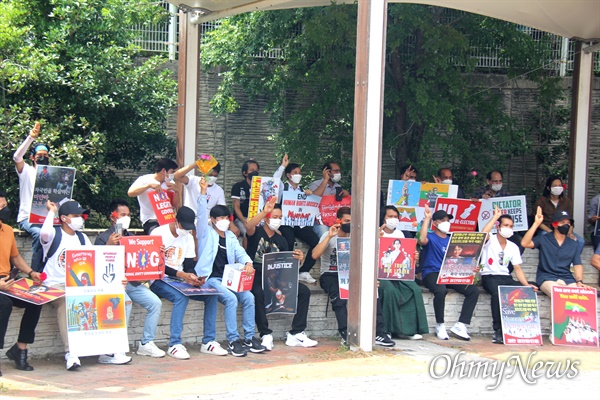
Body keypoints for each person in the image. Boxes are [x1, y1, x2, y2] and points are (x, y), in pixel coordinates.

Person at [195, 177, 266, 357]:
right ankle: (233, 340)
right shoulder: (205, 232)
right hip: (210, 278)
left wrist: (248, 262)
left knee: (249, 297)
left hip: (229, 278)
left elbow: (240, 253)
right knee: (231, 299)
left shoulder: (230, 236)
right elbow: (201, 213)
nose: (225, 220)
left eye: (227, 217)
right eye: (221, 218)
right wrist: (203, 192)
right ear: (213, 220)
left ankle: (249, 337)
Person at [311, 206, 395, 347]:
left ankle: (378, 333)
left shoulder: (357, 236)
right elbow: (314, 255)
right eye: (347, 220)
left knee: (373, 290)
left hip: (351, 273)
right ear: (339, 221)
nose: (350, 223)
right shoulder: (329, 235)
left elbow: (367, 258)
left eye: (353, 220)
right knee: (338, 295)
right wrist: (330, 236)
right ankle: (346, 333)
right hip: (330, 274)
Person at [150, 206, 226, 358]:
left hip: (180, 280)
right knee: (180, 297)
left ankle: (208, 342)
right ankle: (174, 344)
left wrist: (194, 278)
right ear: (176, 221)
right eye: (184, 227)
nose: (186, 231)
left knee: (211, 295)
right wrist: (182, 274)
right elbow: (155, 265)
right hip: (159, 279)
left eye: (189, 228)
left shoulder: (189, 237)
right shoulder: (158, 233)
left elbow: (189, 265)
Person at [94, 198, 161, 364]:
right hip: (111, 285)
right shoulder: (103, 238)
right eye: (123, 215)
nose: (126, 218)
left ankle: (146, 343)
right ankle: (114, 349)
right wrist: (109, 245)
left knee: (155, 303)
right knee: (125, 303)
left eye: (129, 215)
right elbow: (95, 265)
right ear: (113, 217)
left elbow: (143, 263)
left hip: (132, 283)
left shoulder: (133, 238)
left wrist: (158, 252)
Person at [246, 197, 318, 350]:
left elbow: (287, 265)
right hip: (256, 274)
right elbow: (248, 226)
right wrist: (264, 211)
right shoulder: (256, 233)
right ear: (266, 218)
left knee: (304, 291)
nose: (277, 220)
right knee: (258, 293)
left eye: (279, 217)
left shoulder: (282, 240)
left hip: (276, 276)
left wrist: (299, 259)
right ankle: (265, 334)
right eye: (274, 217)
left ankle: (296, 332)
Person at [40, 200, 93, 370]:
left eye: (81, 215)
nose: (80, 219)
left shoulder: (82, 238)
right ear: (64, 218)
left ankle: (102, 348)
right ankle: (71, 352)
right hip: (54, 285)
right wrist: (51, 212)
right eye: (75, 216)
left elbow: (93, 260)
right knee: (65, 302)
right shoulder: (54, 235)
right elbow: (44, 234)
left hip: (76, 285)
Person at [418, 205, 479, 341]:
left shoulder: (453, 239)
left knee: (473, 290)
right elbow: (422, 240)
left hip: (451, 272)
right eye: (443, 220)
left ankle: (461, 324)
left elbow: (461, 259)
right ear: (435, 223)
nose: (447, 222)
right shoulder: (431, 237)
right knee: (440, 290)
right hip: (432, 272)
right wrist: (427, 218)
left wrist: (470, 268)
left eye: (448, 220)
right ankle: (440, 325)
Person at [0, 192, 44, 375]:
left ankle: (20, 349)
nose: (4, 210)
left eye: (4, 206)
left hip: (8, 279)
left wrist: (31, 272)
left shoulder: (8, 230)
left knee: (36, 300)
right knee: (4, 304)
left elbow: (15, 257)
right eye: (0, 207)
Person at [480, 207, 538, 344]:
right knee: (497, 294)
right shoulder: (490, 240)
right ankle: (498, 330)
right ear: (498, 226)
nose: (509, 228)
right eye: (505, 225)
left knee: (524, 292)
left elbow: (517, 269)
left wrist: (526, 285)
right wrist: (495, 217)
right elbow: (483, 233)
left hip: (505, 277)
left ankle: (525, 329)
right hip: (489, 276)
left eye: (511, 226)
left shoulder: (513, 246)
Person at [377, 206, 428, 340]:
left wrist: (413, 256)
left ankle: (409, 330)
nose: (393, 219)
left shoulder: (400, 234)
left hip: (398, 273)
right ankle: (386, 329)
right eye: (390, 216)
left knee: (414, 289)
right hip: (380, 273)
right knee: (389, 291)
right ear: (383, 217)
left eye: (395, 216)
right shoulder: (377, 232)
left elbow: (406, 256)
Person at [521, 207, 587, 296]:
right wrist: (536, 224)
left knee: (579, 295)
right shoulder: (544, 239)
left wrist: (579, 281)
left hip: (567, 279)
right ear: (555, 224)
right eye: (563, 222)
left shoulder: (573, 244)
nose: (566, 225)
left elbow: (577, 264)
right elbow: (525, 243)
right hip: (547, 278)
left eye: (568, 223)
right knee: (559, 294)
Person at [278, 163, 321, 284]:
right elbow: (275, 180)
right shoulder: (283, 187)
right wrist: (282, 166)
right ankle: (288, 272)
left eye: (299, 172)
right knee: (289, 242)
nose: (298, 175)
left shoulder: (303, 190)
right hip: (286, 223)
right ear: (288, 175)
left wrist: (309, 196)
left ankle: (304, 271)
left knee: (315, 242)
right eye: (295, 172)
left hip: (300, 223)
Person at [12, 122, 49, 262]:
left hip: (47, 219)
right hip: (27, 218)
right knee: (39, 233)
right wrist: (30, 138)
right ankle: (35, 271)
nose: (43, 157)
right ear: (33, 157)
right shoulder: (27, 171)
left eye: (45, 155)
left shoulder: (53, 176)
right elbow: (16, 157)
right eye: (39, 154)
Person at [231, 156, 286, 239]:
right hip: (243, 218)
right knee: (248, 233)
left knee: (277, 234)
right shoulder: (238, 187)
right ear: (245, 173)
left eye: (256, 170)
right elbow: (236, 207)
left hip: (260, 217)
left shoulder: (263, 186)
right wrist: (244, 220)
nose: (255, 172)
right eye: (252, 170)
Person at [127, 158, 180, 234]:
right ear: (163, 171)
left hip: (167, 219)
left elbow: (175, 205)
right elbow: (130, 193)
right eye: (171, 172)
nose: (172, 175)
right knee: (157, 234)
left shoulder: (170, 183)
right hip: (151, 219)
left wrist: (177, 192)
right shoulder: (144, 179)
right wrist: (148, 186)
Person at [534, 176, 584, 255]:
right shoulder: (541, 201)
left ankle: (571, 263)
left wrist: (569, 233)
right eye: (555, 186)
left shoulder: (567, 201)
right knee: (548, 239)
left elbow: (570, 220)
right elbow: (538, 222)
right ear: (548, 188)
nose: (558, 188)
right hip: (546, 230)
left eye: (560, 185)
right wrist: (550, 232)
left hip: (564, 230)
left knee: (580, 241)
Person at [309, 162, 350, 238]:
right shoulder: (315, 184)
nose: (338, 173)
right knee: (325, 236)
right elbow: (314, 198)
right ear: (327, 171)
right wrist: (325, 180)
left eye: (339, 171)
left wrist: (346, 194)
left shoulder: (338, 187)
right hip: (320, 222)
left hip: (335, 220)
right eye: (336, 171)